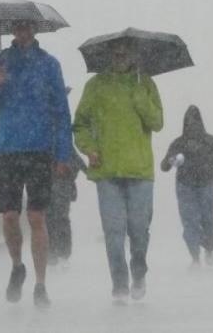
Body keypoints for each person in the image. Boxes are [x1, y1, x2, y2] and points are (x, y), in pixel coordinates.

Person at [0, 19, 73, 308]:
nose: (23, 32)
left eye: (27, 27)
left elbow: (62, 112)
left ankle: (41, 285)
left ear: (35, 30)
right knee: (8, 215)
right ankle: (18, 266)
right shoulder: (0, 61)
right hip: (7, 148)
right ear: (11, 31)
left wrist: (63, 154)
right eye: (18, 28)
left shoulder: (49, 64)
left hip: (40, 149)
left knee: (36, 217)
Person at [73, 39, 163, 303]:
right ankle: (120, 284)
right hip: (107, 171)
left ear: (134, 55)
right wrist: (89, 148)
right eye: (116, 53)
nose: (121, 56)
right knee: (113, 233)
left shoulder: (145, 83)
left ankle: (138, 272)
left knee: (139, 231)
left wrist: (139, 98)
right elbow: (79, 125)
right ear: (108, 56)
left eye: (126, 52)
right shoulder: (96, 85)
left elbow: (157, 122)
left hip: (140, 171)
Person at [160, 105, 213, 268]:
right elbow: (164, 166)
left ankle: (207, 249)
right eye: (189, 123)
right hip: (186, 186)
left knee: (208, 222)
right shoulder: (179, 143)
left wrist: (200, 156)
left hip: (205, 184)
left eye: (195, 122)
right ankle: (195, 257)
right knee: (190, 223)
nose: (193, 126)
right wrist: (171, 160)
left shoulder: (209, 141)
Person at [46, 88, 87, 267]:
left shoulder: (58, 124)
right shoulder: (55, 123)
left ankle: (57, 254)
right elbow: (72, 152)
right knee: (55, 216)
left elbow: (70, 151)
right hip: (51, 178)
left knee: (56, 216)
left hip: (57, 178)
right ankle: (57, 253)